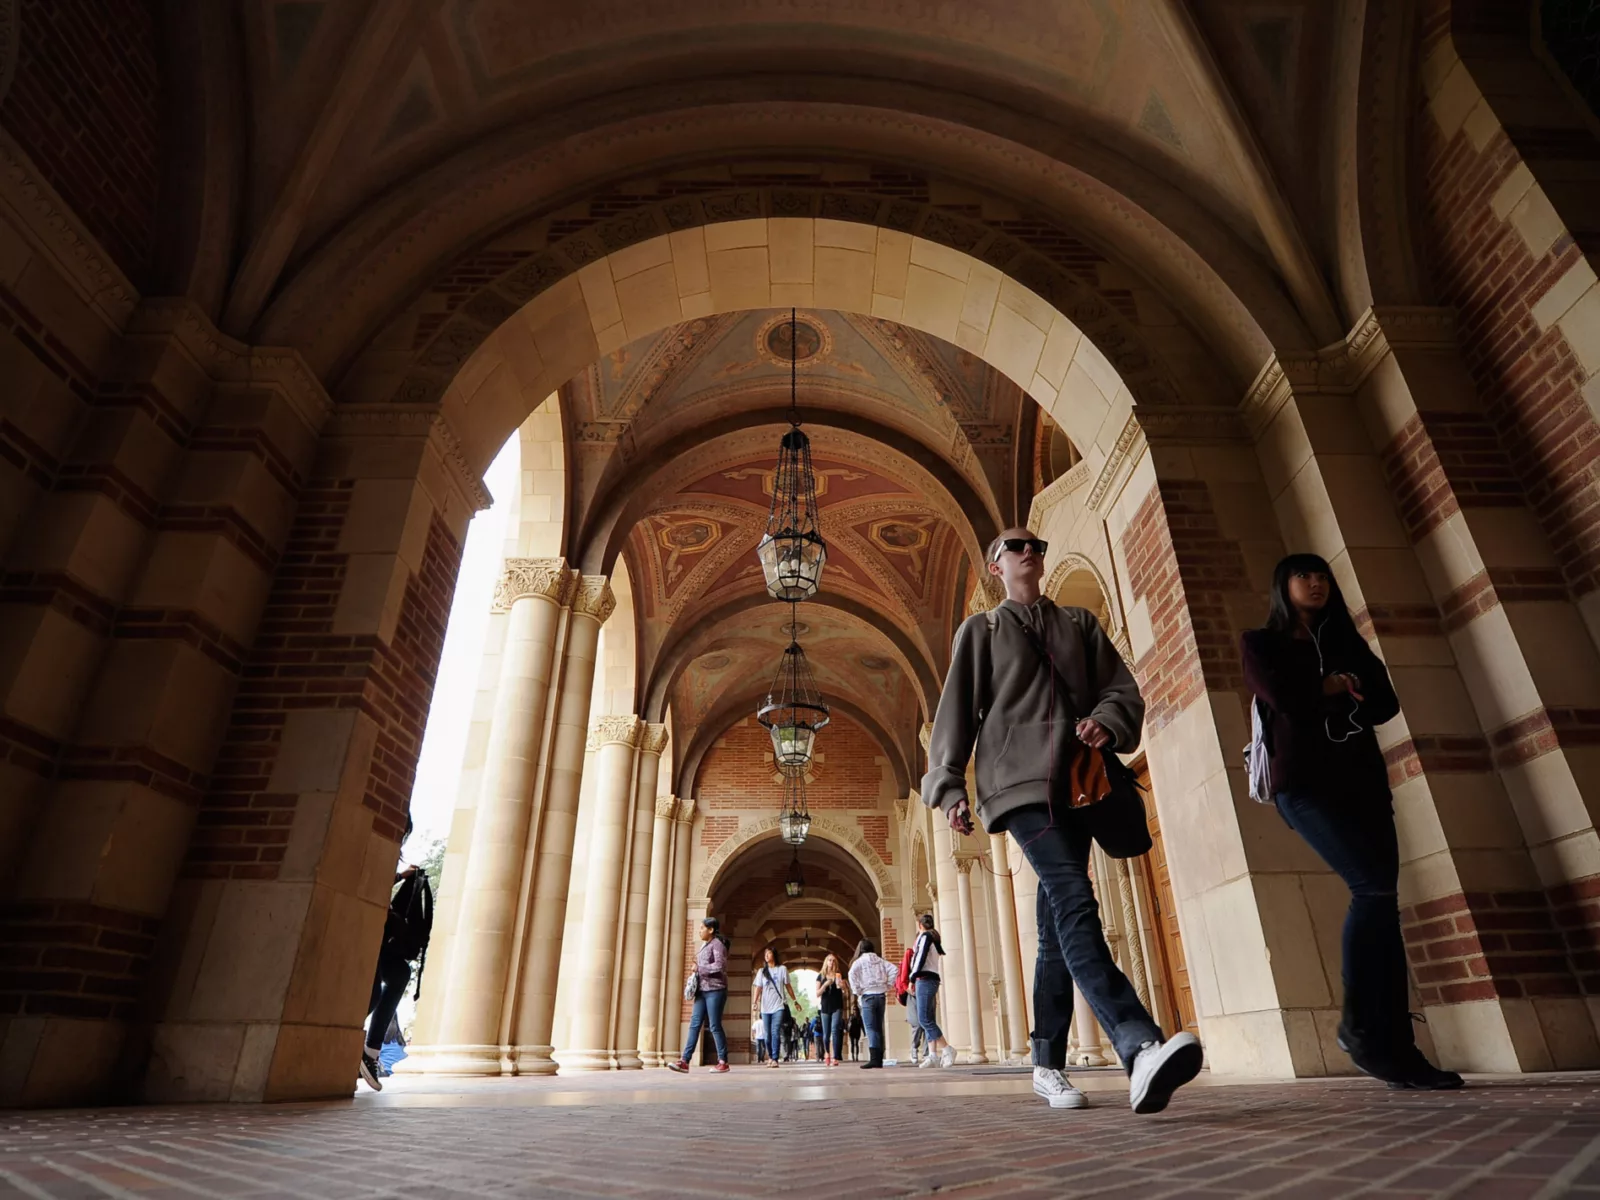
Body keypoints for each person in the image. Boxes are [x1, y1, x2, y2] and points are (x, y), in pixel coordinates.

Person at [923, 528, 1203, 1114]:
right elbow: (954, 717)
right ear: (995, 567)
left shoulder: (1079, 624)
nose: (1032, 552)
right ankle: (1138, 1042)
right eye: (1017, 547)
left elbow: (1120, 689)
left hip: (1079, 784)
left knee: (1054, 927)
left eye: (1038, 545)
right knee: (1075, 898)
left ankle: (1046, 1063)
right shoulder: (981, 631)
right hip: (1018, 788)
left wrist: (1106, 721)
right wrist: (949, 788)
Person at [1242, 554, 1462, 1091]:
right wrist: (1336, 687)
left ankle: (1397, 1049)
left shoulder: (1347, 641)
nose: (1317, 583)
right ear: (1283, 584)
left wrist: (1338, 686)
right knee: (1370, 889)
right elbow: (1285, 699)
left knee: (1383, 900)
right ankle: (1361, 1030)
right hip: (1304, 787)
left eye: (1323, 576)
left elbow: (1385, 702)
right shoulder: (1261, 643)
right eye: (1304, 575)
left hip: (1363, 781)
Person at [358, 817, 433, 1092]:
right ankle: (346, 1037)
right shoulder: (374, 846)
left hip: (381, 933)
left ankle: (371, 1051)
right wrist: (402, 877)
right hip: (368, 929)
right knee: (374, 992)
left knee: (400, 973)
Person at [668, 917, 731, 1073]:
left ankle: (723, 1061)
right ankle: (685, 1061)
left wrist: (699, 968)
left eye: (702, 928)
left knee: (715, 1025)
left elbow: (719, 966)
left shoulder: (717, 944)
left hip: (715, 990)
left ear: (711, 930)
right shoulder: (705, 945)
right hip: (702, 991)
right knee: (694, 1024)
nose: (699, 930)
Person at [907, 914, 955, 1068]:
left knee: (923, 1019)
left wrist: (912, 978)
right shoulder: (933, 937)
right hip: (930, 979)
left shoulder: (925, 937)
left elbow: (919, 958)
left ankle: (947, 1048)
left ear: (920, 925)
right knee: (928, 1017)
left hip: (925, 980)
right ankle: (933, 1054)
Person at [847, 937, 897, 1069]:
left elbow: (851, 974)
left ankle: (874, 1059)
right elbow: (894, 969)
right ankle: (879, 1058)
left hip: (867, 996)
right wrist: (888, 985)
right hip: (881, 996)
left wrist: (857, 990)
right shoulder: (880, 960)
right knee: (878, 1027)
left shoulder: (859, 961)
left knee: (870, 1028)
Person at [754, 947, 799, 1068]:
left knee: (775, 1032)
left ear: (774, 954)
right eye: (765, 954)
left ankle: (774, 1058)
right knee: (767, 1035)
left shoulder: (782, 969)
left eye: (769, 953)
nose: (766, 955)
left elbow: (788, 986)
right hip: (765, 1007)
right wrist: (755, 1001)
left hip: (778, 1006)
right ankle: (770, 1056)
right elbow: (758, 988)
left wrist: (795, 1000)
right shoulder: (761, 972)